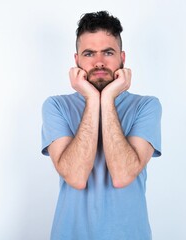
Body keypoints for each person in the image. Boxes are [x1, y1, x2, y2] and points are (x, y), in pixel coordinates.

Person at [41, 10, 162, 240]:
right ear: (76, 60)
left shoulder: (147, 106)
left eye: (108, 52)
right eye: (89, 53)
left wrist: (106, 98)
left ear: (122, 58)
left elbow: (122, 175)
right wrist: (91, 99)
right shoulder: (56, 106)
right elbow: (75, 177)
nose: (98, 62)